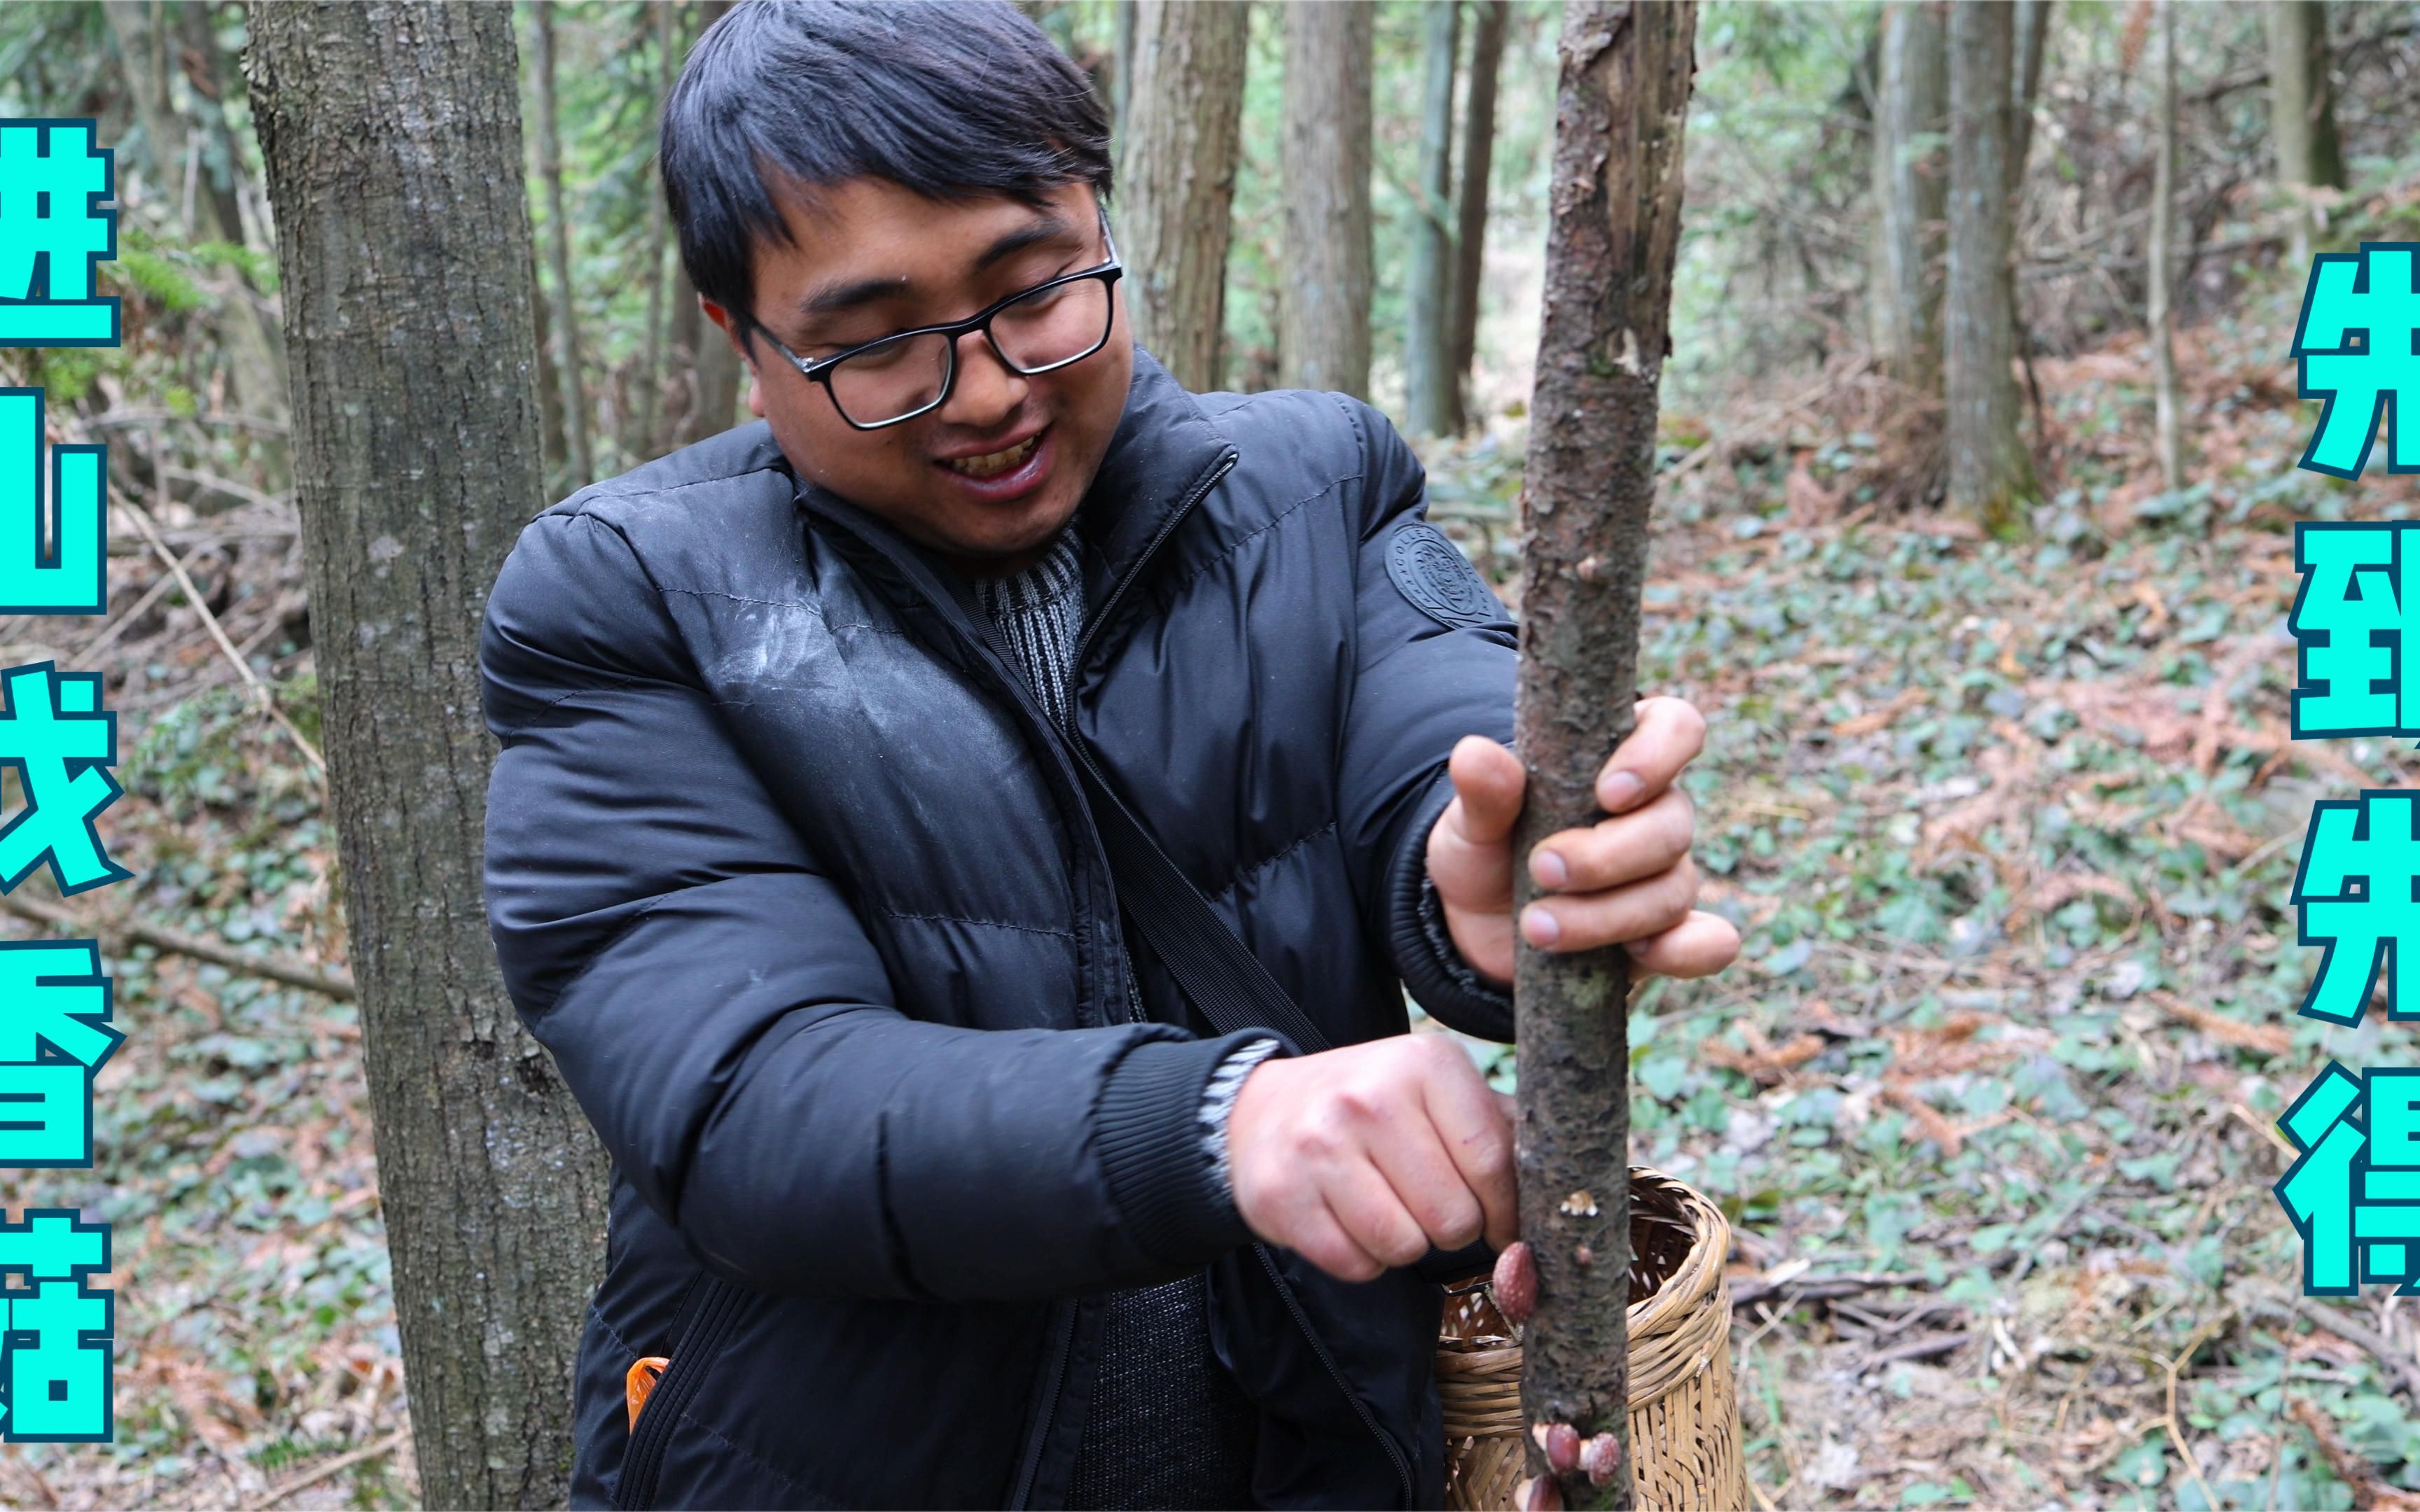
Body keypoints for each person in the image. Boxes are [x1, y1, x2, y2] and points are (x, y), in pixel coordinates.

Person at [478, 3, 1739, 1507]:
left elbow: (1439, 711)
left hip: (1305, 1451)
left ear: (1100, 224)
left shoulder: (1313, 486)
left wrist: (1482, 864)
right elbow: (749, 1098)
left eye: (1036, 291)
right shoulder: (631, 604)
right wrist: (1221, 1125)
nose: (998, 391)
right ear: (742, 342)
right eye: (879, 345)